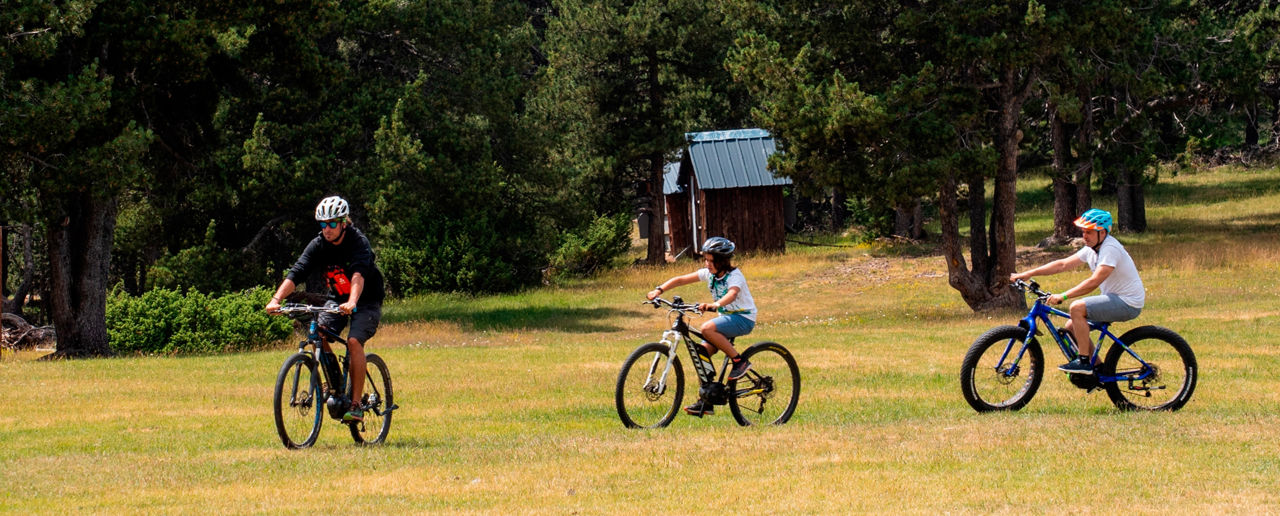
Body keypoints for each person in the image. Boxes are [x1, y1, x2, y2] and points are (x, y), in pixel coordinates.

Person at [266, 196, 386, 422]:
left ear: (343, 223)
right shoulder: (319, 244)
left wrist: (352, 302)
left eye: (331, 224)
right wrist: (276, 299)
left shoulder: (358, 242)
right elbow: (297, 271)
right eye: (322, 224)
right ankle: (335, 384)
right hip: (338, 298)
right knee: (317, 334)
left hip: (366, 300)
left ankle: (356, 404)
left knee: (353, 341)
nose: (327, 229)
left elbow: (358, 275)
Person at [1009, 209, 1144, 374]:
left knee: (1076, 308)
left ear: (1102, 232)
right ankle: (1099, 370)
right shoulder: (1092, 248)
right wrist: (1028, 273)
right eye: (1083, 232)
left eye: (1089, 232)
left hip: (1128, 302)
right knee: (1071, 326)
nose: (1084, 236)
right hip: (1113, 298)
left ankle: (1084, 361)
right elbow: (1063, 264)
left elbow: (1093, 282)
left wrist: (1064, 296)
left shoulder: (1110, 249)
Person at [647, 236, 757, 416]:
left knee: (706, 328)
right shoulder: (709, 274)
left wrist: (715, 305)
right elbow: (681, 279)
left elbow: (732, 294)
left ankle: (740, 362)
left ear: (722, 261)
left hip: (743, 318)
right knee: (701, 354)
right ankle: (707, 401)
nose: (707, 264)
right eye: (705, 259)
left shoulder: (735, 276)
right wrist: (659, 290)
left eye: (710, 260)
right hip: (726, 320)